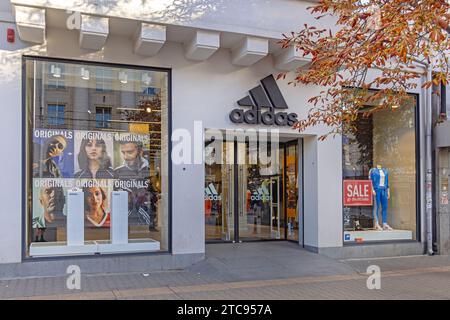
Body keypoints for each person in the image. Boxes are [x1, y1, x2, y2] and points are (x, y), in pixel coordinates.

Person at [369, 164, 393, 231]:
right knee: (377, 206)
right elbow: (370, 180)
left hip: (384, 190)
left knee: (385, 207)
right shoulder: (372, 171)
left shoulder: (385, 171)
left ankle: (384, 223)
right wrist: (372, 189)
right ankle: (376, 223)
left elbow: (387, 181)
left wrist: (388, 191)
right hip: (377, 190)